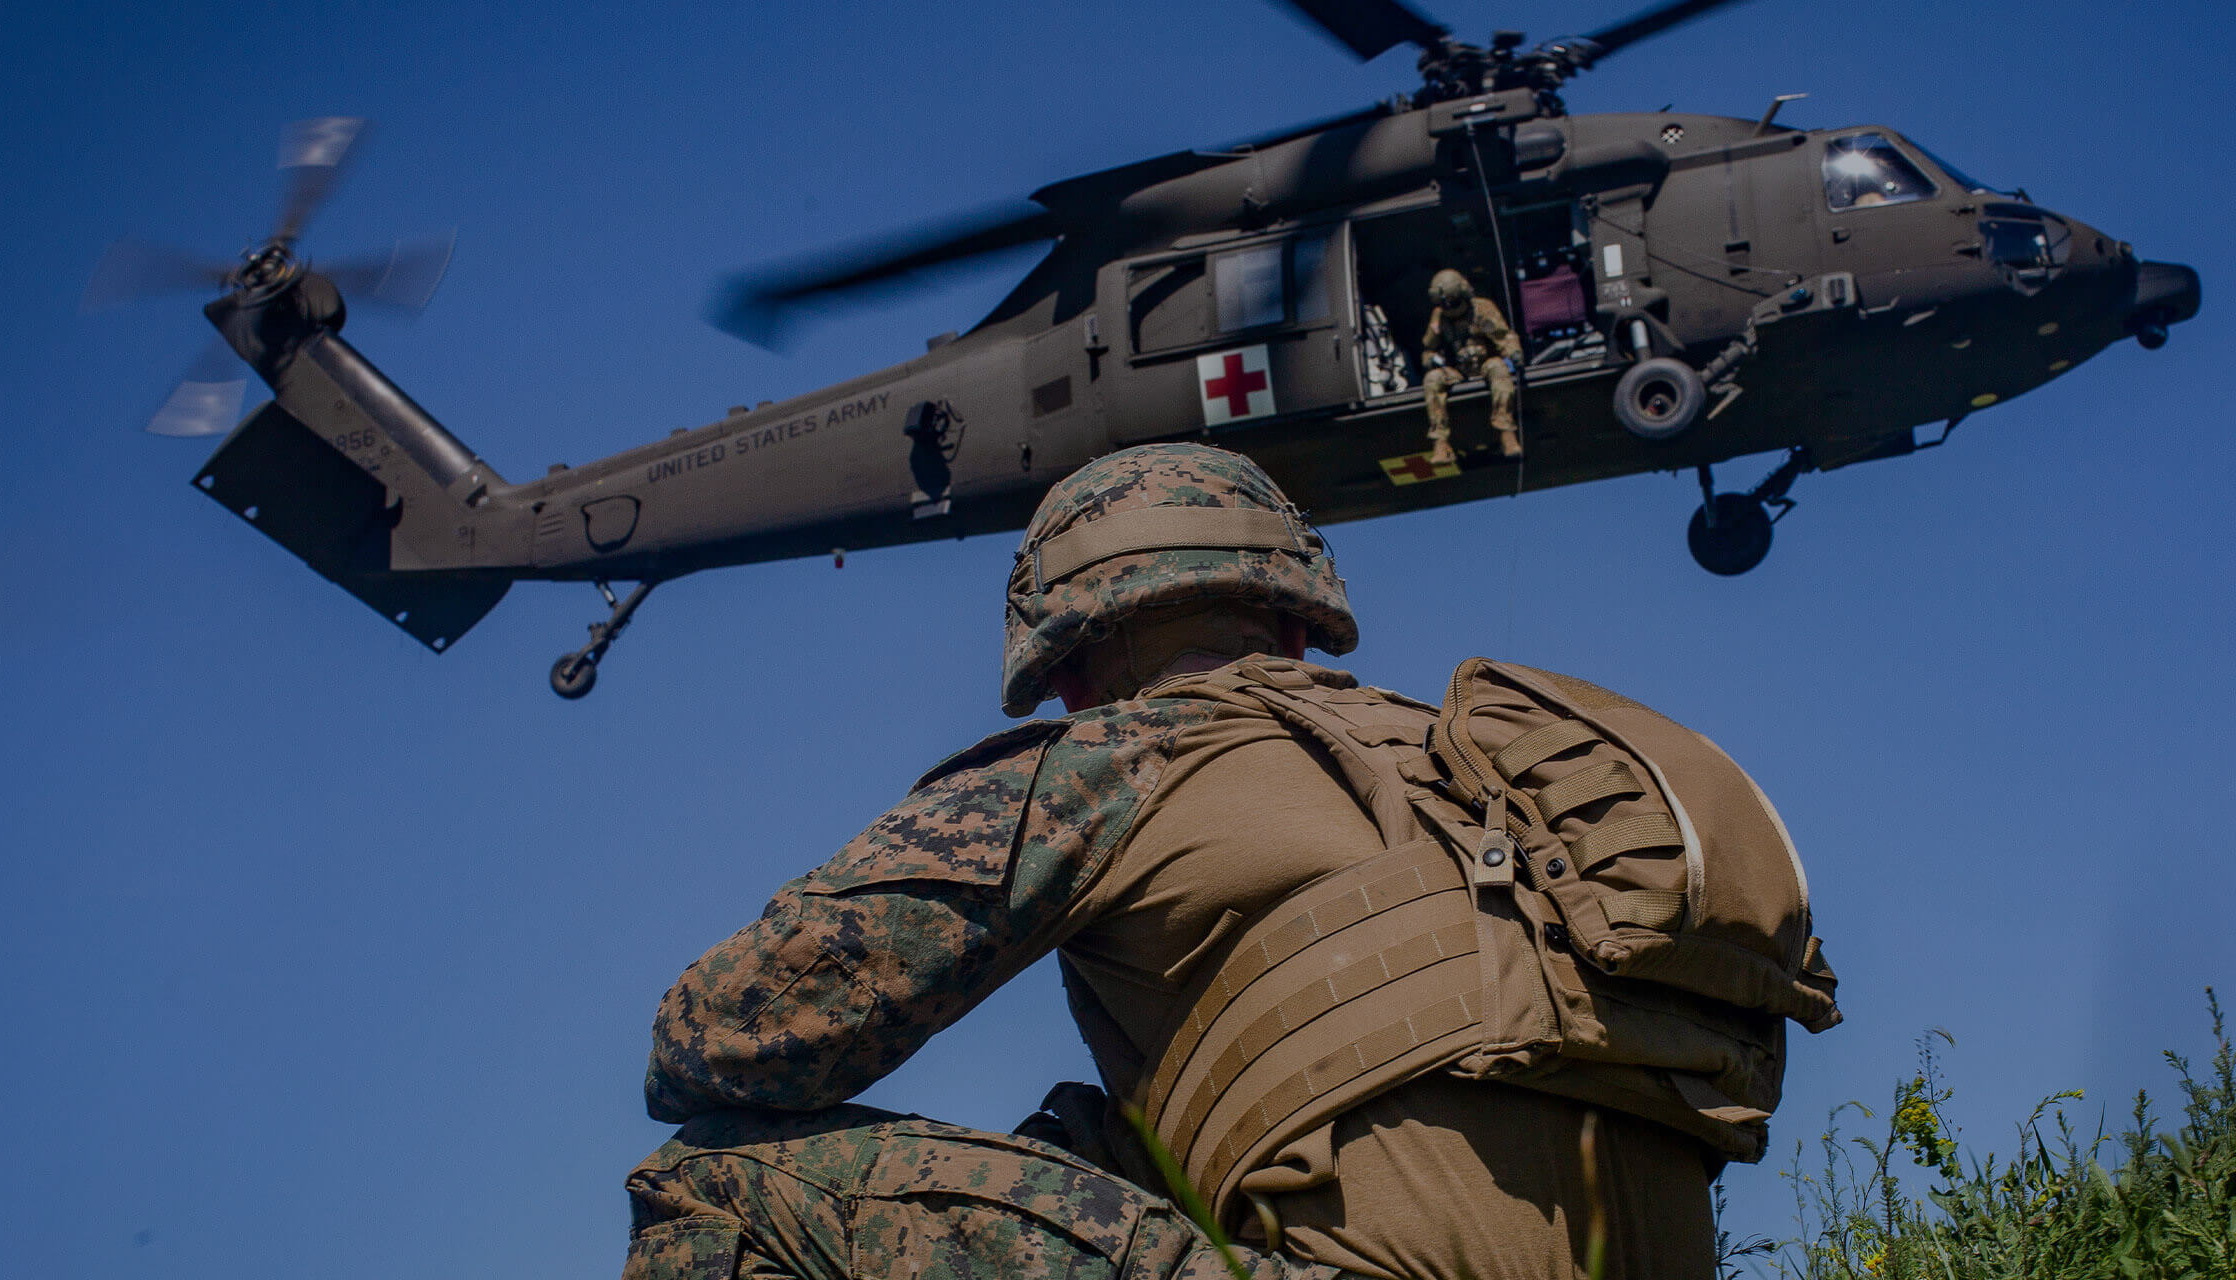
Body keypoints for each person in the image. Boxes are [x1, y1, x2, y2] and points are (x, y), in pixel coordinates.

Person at [621, 443, 1827, 1280]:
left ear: (1077, 661)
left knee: (713, 1176)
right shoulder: (1464, 768)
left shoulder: (1114, 756)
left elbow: (712, 1039)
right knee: (1101, 1137)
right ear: (1297, 619)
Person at [1420, 268, 1523, 465]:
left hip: (1486, 363)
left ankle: (1507, 434)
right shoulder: (1439, 318)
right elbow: (1427, 349)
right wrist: (1430, 359)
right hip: (1458, 370)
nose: (1450, 308)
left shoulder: (1481, 311)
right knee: (1432, 379)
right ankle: (1440, 443)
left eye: (1454, 303)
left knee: (1499, 369)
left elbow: (1503, 337)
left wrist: (1514, 353)